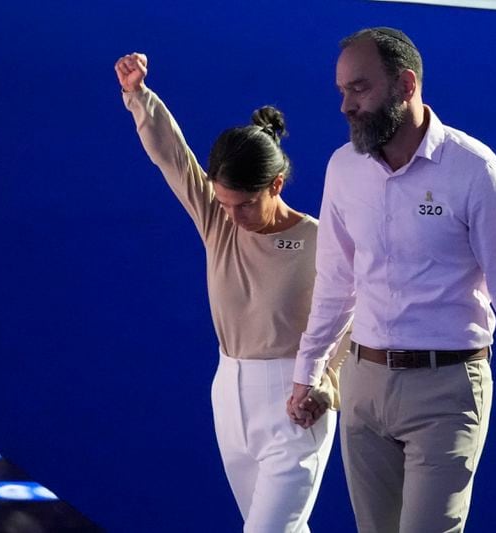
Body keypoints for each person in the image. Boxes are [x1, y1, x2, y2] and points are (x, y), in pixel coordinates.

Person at [286, 27, 496, 533]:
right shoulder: (343, 169)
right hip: (362, 386)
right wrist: (309, 372)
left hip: (448, 393)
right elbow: (335, 283)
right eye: (341, 90)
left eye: (359, 88)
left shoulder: (477, 174)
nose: (345, 105)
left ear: (405, 85)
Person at [115, 52, 346, 533]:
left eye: (242, 205)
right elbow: (172, 156)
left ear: (275, 185)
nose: (230, 215)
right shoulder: (218, 220)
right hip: (230, 393)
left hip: (296, 398)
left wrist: (328, 382)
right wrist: (138, 96)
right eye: (221, 201)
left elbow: (359, 314)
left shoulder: (321, 240)